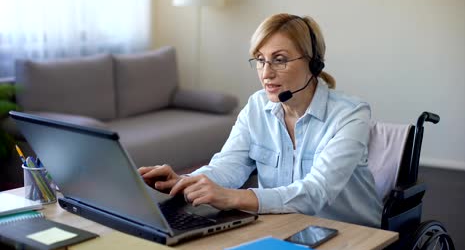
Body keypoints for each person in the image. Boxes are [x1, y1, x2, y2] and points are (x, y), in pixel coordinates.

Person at [138, 13, 382, 227]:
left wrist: (234, 197)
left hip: (349, 234)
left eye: (280, 59)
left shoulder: (350, 114)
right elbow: (228, 166)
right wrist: (184, 182)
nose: (266, 74)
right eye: (260, 60)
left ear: (313, 63)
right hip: (281, 226)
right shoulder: (257, 106)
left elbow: (316, 191)